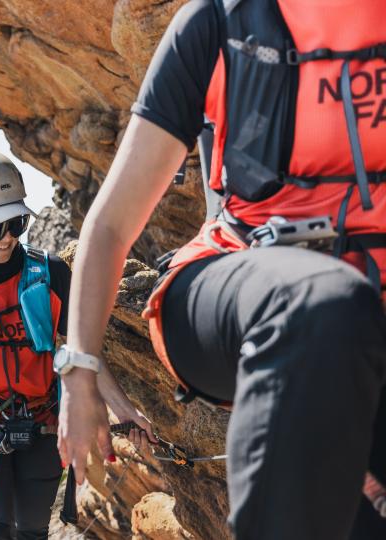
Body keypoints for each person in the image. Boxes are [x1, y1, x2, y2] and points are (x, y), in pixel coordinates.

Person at [55, 0, 386, 538]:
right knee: (325, 301)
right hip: (231, 279)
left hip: (364, 311)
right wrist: (79, 373)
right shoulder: (217, 23)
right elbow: (111, 224)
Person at [0, 150, 151, 540]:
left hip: (43, 424)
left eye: (17, 223)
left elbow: (81, 351)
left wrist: (126, 411)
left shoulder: (50, 273)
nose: (7, 237)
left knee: (33, 533)